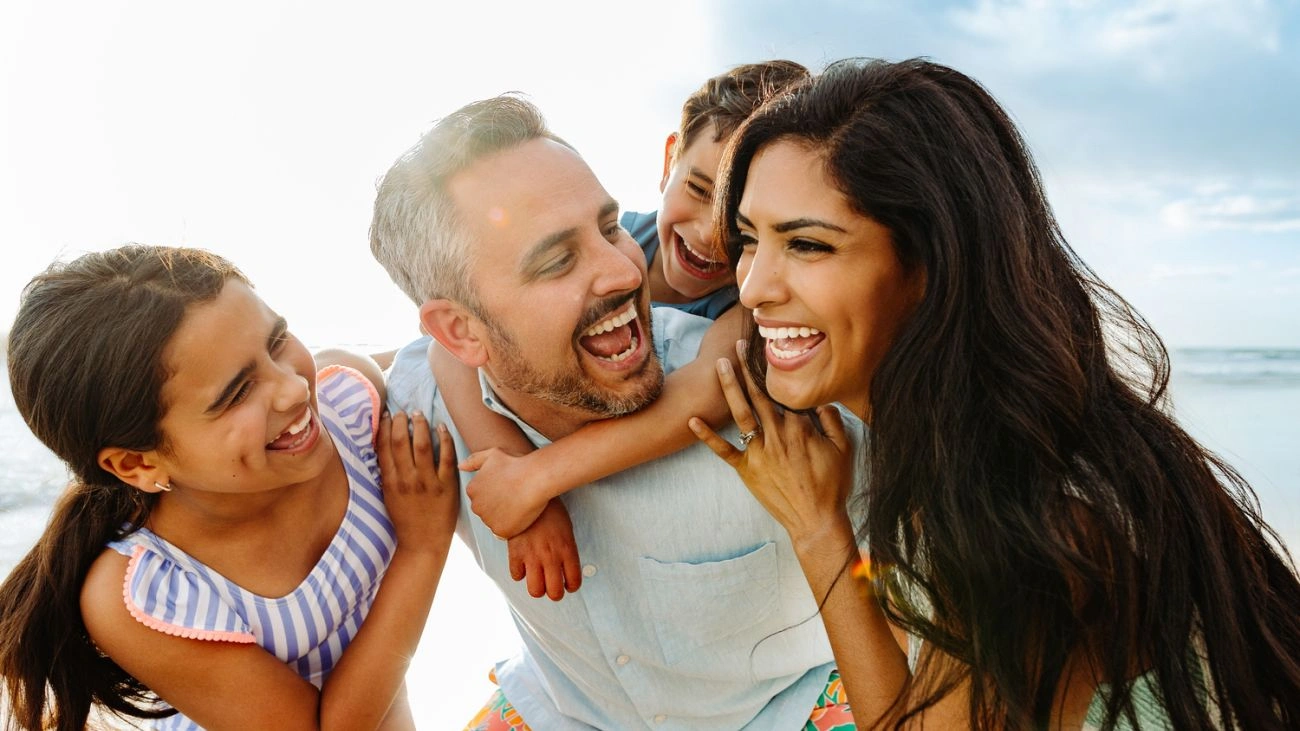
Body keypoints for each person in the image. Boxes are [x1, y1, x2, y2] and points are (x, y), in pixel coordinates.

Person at [690, 58, 1300, 729]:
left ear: (930, 267)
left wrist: (817, 532)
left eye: (807, 244)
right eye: (749, 240)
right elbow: (914, 634)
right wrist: (842, 545)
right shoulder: (955, 437)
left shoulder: (1030, 515)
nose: (753, 289)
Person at [370, 95, 855, 730]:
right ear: (459, 331)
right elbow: (329, 376)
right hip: (563, 712)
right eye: (555, 261)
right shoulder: (418, 418)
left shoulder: (774, 388)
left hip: (787, 709)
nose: (622, 273)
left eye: (608, 228)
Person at [0, 245, 460, 730]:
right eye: (238, 393)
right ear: (136, 462)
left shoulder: (349, 406)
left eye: (277, 340)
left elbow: (435, 356)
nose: (293, 389)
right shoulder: (150, 593)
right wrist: (421, 547)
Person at [429, 60, 812, 600]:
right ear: (669, 159)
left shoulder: (751, 302)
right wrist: (512, 468)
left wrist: (538, 479)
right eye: (700, 190)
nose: (710, 234)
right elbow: (448, 352)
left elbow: (710, 389)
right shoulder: (611, 237)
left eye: (741, 217)